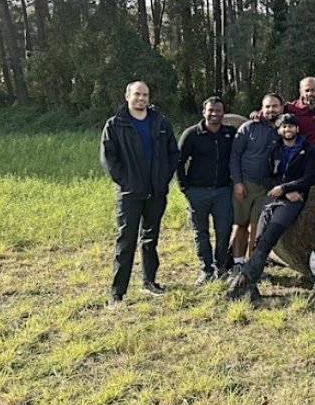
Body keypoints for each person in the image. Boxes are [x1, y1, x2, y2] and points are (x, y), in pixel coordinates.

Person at [100, 81, 179, 307]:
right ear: (127, 96)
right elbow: (109, 159)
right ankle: (117, 293)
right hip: (130, 194)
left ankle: (150, 282)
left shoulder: (160, 122)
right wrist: (126, 182)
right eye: (137, 94)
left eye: (145, 95)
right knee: (126, 241)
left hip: (155, 192)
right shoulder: (116, 124)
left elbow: (173, 154)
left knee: (150, 239)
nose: (141, 99)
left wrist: (162, 178)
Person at [227, 114, 315, 300]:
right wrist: (281, 190)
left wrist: (286, 189)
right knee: (259, 241)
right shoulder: (274, 149)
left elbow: (310, 177)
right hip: (273, 198)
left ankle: (242, 283)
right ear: (279, 130)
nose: (288, 130)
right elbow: (265, 176)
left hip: (292, 201)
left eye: (291, 126)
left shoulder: (308, 150)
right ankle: (248, 285)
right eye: (284, 127)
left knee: (268, 239)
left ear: (297, 129)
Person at [177, 96, 237, 285]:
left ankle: (221, 267)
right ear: (204, 112)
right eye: (211, 110)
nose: (214, 114)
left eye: (218, 110)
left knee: (223, 231)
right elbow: (178, 161)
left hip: (223, 191)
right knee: (200, 232)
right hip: (197, 192)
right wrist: (184, 187)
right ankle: (206, 269)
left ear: (223, 113)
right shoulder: (191, 134)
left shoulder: (231, 133)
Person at [229, 93, 282, 270]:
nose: (271, 110)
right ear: (262, 108)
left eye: (275, 106)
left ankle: (253, 265)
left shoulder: (284, 129)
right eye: (267, 106)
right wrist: (237, 182)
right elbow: (235, 155)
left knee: (257, 228)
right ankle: (237, 263)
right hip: (246, 183)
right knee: (240, 225)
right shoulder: (248, 127)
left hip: (267, 187)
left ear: (281, 108)